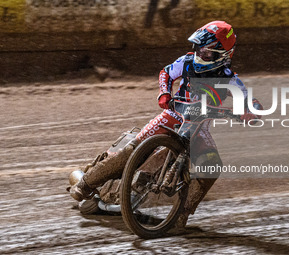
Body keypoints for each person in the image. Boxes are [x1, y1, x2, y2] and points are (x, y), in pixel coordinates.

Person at [69, 20, 263, 228]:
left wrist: (252, 112)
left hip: (198, 127)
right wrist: (164, 92)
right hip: (171, 115)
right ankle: (85, 183)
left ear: (223, 55)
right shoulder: (187, 62)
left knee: (211, 167)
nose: (199, 55)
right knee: (132, 149)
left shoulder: (231, 80)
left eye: (206, 53)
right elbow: (166, 73)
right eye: (198, 49)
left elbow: (250, 100)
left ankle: (181, 217)